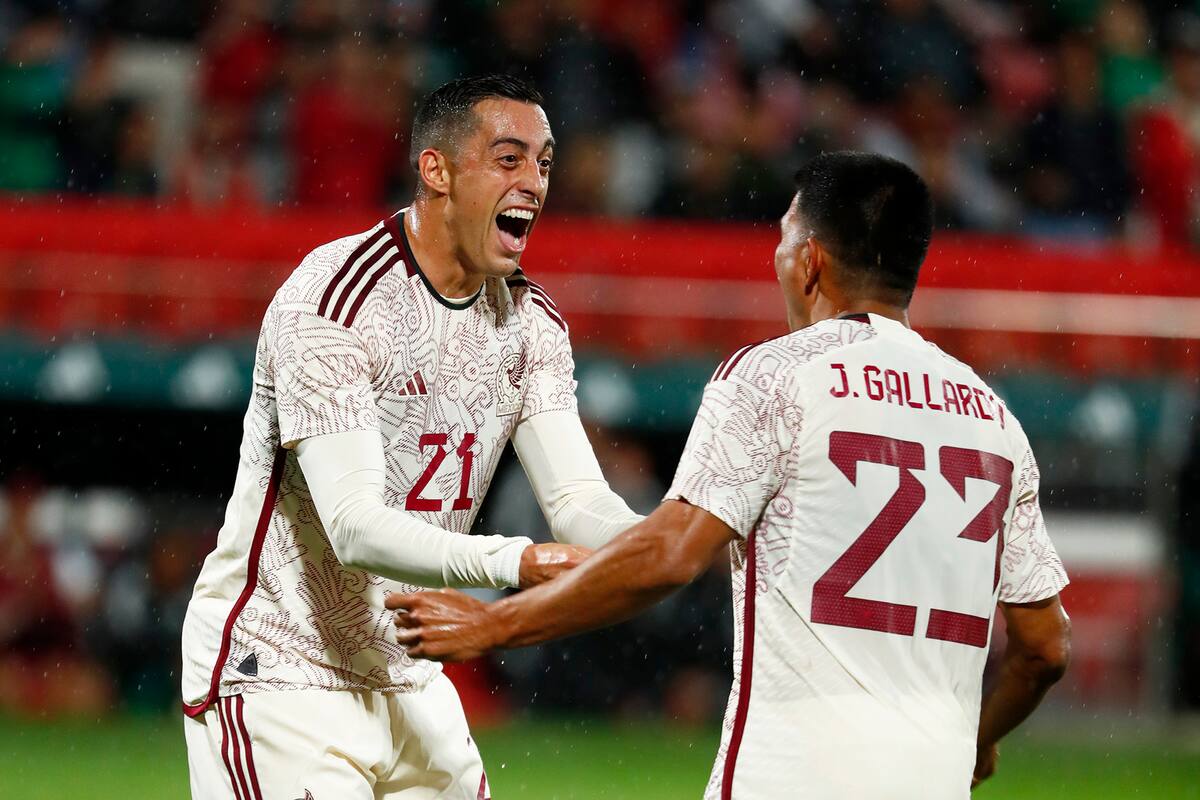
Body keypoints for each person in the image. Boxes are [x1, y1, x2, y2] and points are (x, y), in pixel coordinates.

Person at [391, 152, 1072, 799]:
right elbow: (1044, 647)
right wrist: (977, 740)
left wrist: (495, 626)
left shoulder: (776, 376)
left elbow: (668, 557)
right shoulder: (991, 418)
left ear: (810, 261)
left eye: (783, 239)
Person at [179, 74, 642, 800]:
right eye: (510, 159)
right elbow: (355, 528)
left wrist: (664, 538)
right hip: (283, 669)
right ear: (438, 170)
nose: (535, 183)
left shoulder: (534, 325)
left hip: (411, 675)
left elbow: (580, 498)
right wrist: (516, 562)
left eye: (545, 163)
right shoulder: (333, 299)